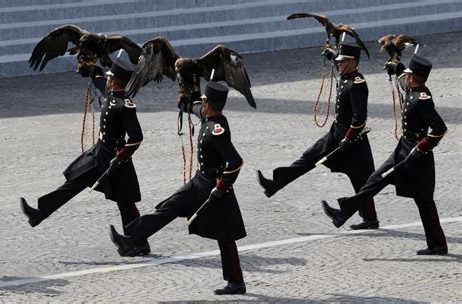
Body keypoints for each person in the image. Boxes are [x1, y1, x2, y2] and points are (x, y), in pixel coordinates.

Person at [109, 81, 247, 295]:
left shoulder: (216, 129)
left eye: (204, 101)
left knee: (225, 235)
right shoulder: (209, 116)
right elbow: (194, 107)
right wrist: (187, 95)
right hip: (198, 182)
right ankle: (132, 239)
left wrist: (220, 189)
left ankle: (236, 282)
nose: (202, 104)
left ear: (209, 103)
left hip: (213, 187)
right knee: (169, 207)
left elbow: (235, 162)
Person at [20, 50, 148, 253]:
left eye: (110, 77)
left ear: (114, 81)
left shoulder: (125, 106)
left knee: (126, 201)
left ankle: (138, 242)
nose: (107, 80)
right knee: (74, 181)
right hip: (99, 154)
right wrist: (91, 69)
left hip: (115, 159)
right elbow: (98, 81)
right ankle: (40, 213)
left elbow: (136, 137)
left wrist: (122, 157)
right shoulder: (112, 95)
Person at [322, 54, 448, 255]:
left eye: (408, 75)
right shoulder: (413, 89)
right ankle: (343, 212)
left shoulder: (421, 99)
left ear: (413, 77)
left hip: (416, 156)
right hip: (403, 149)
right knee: (375, 180)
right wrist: (397, 66)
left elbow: (440, 128)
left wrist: (422, 147)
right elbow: (402, 81)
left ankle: (438, 244)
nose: (405, 78)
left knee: (424, 200)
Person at [257, 44, 379, 229]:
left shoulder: (357, 84)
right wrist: (333, 55)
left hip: (352, 140)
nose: (339, 64)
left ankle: (368, 218)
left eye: (342, 61)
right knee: (308, 157)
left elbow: (359, 117)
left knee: (361, 179)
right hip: (336, 133)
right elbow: (342, 72)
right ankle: (275, 183)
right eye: (338, 61)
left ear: (353, 62)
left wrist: (349, 137)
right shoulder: (346, 77)